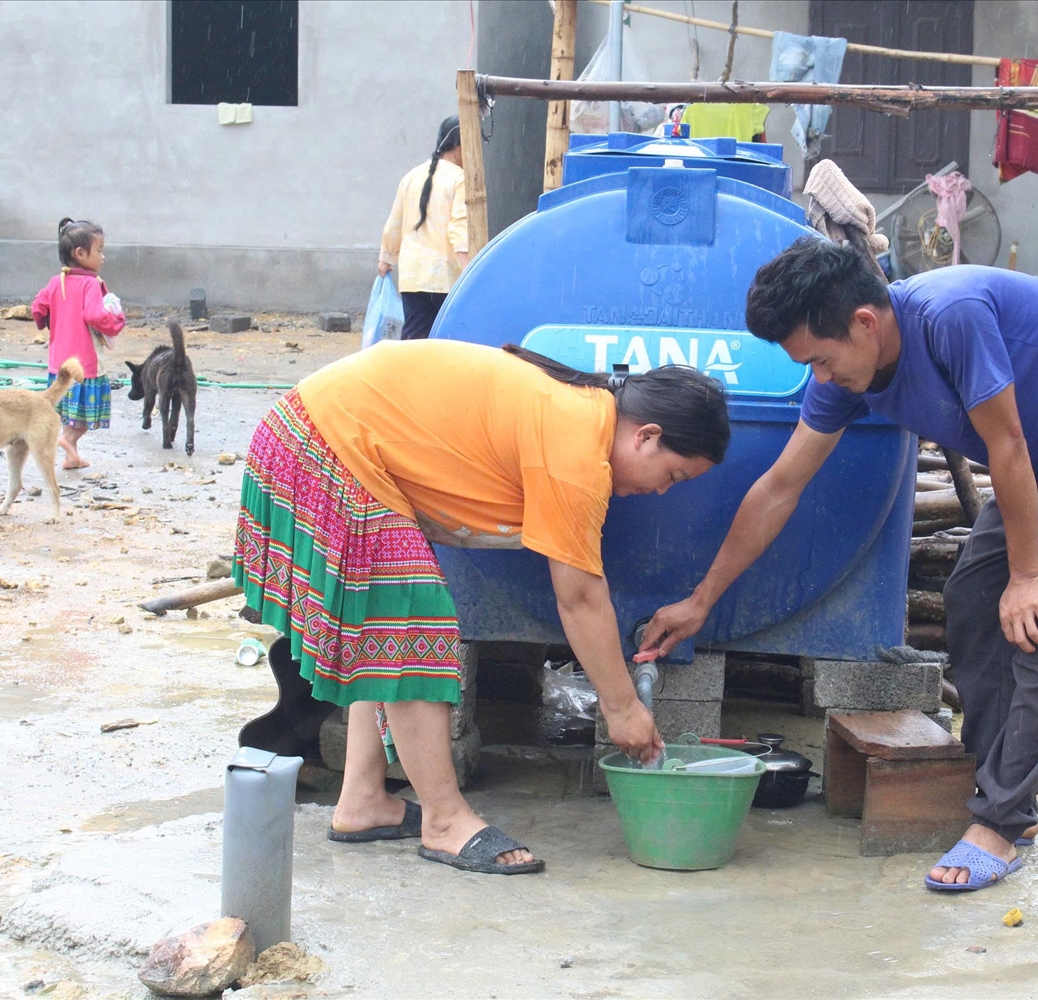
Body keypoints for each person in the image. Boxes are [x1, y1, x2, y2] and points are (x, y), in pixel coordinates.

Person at [638, 238, 1038, 892]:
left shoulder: (950, 318)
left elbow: (1006, 445)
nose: (821, 377)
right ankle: (997, 786)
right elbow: (780, 487)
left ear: (865, 324)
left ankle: (1001, 822)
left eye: (820, 359)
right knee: (973, 599)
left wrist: (1029, 574)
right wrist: (702, 599)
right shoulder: (847, 372)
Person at [233, 338, 729, 875]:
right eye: (672, 476)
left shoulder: (579, 416)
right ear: (646, 436)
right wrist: (622, 709)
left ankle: (362, 800)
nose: (661, 492)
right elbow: (581, 597)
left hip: (317, 433)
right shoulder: (577, 447)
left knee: (381, 623)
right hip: (323, 444)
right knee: (408, 620)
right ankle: (445, 821)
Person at [31, 218, 126, 469]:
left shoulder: (55, 282)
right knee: (83, 417)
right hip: (84, 364)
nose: (103, 257)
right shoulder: (90, 284)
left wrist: (51, 321)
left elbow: (37, 308)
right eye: (100, 250)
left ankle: (70, 455)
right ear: (81, 254)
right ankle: (67, 440)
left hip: (58, 363)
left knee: (68, 411)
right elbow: (95, 316)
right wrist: (116, 321)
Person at [378, 116, 469, 340]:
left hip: (412, 276)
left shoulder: (411, 176)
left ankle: (406, 376)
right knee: (446, 341)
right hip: (446, 276)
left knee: (413, 340)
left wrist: (386, 259)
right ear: (459, 146)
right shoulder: (460, 179)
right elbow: (459, 229)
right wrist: (469, 270)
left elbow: (395, 223)